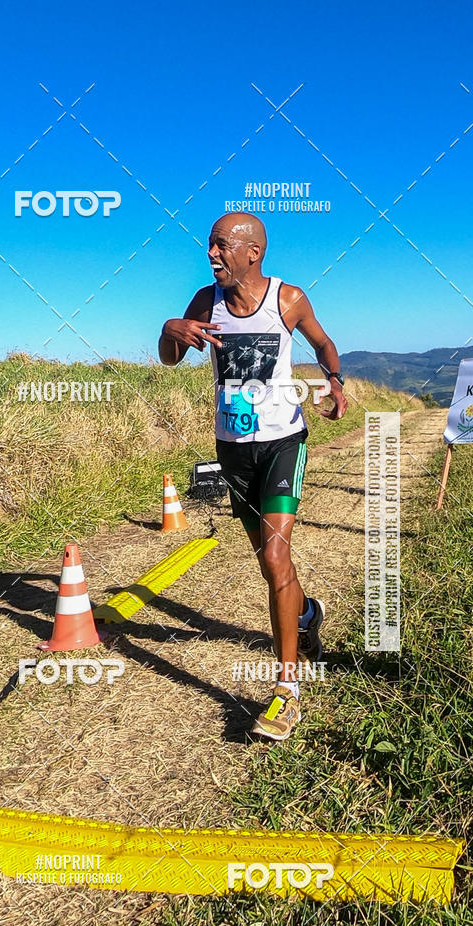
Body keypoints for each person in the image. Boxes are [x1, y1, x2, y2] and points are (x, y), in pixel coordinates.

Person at [158, 211, 347, 741]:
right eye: (209, 246)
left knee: (274, 555)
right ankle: (306, 613)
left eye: (220, 246)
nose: (211, 255)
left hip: (284, 442)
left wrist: (333, 380)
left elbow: (324, 344)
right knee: (269, 563)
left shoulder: (287, 300)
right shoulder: (205, 300)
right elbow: (171, 357)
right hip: (233, 451)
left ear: (252, 252)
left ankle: (287, 692)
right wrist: (169, 330)